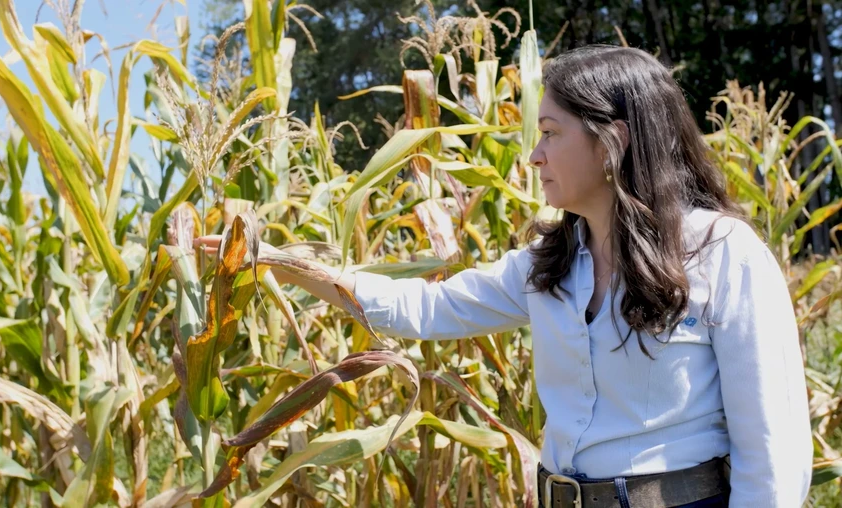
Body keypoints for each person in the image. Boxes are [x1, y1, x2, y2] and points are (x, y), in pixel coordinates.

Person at [196, 45, 812, 507]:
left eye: (549, 134)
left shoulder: (723, 254)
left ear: (610, 143)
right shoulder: (550, 265)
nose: (534, 153)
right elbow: (422, 309)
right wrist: (274, 260)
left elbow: (773, 451)